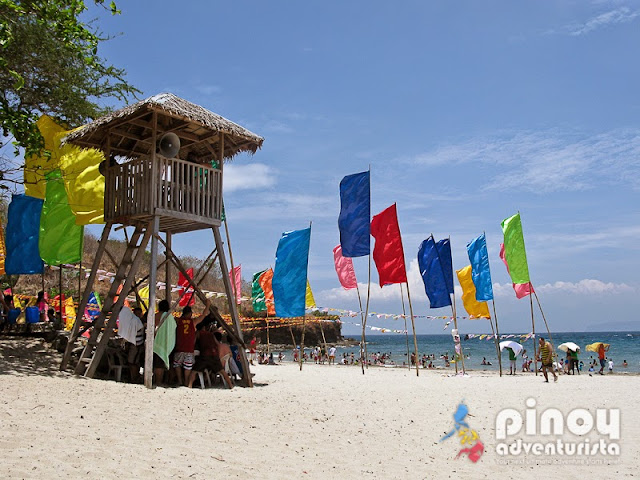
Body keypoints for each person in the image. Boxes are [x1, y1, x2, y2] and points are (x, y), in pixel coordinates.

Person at [173, 301, 210, 387]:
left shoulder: (178, 321)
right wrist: (207, 305)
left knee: (177, 364)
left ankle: (180, 381)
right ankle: (186, 381)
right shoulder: (193, 322)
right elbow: (203, 315)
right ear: (190, 313)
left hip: (179, 347)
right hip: (189, 348)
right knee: (187, 367)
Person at [189, 320, 232, 389]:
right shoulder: (211, 334)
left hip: (205, 355)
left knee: (194, 371)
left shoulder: (198, 333)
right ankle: (230, 385)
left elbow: (193, 343)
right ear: (204, 327)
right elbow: (217, 344)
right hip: (214, 354)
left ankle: (190, 385)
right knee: (222, 371)